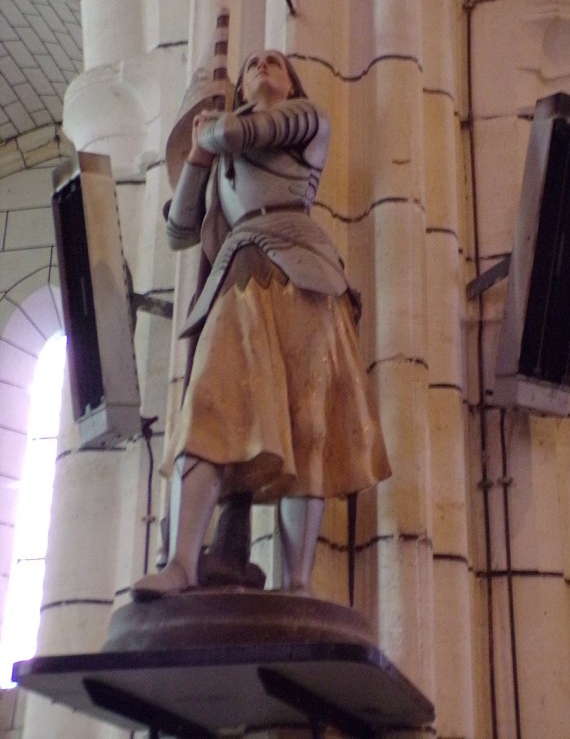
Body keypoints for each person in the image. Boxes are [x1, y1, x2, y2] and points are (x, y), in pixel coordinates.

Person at [132, 50, 391, 600]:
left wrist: (212, 131)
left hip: (306, 274)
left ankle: (297, 582)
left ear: (291, 81)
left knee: (309, 425)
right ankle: (182, 564)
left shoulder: (304, 119)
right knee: (208, 406)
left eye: (275, 63)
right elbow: (180, 228)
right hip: (239, 273)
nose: (265, 66)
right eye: (255, 64)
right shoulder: (225, 140)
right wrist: (198, 160)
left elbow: (244, 131)